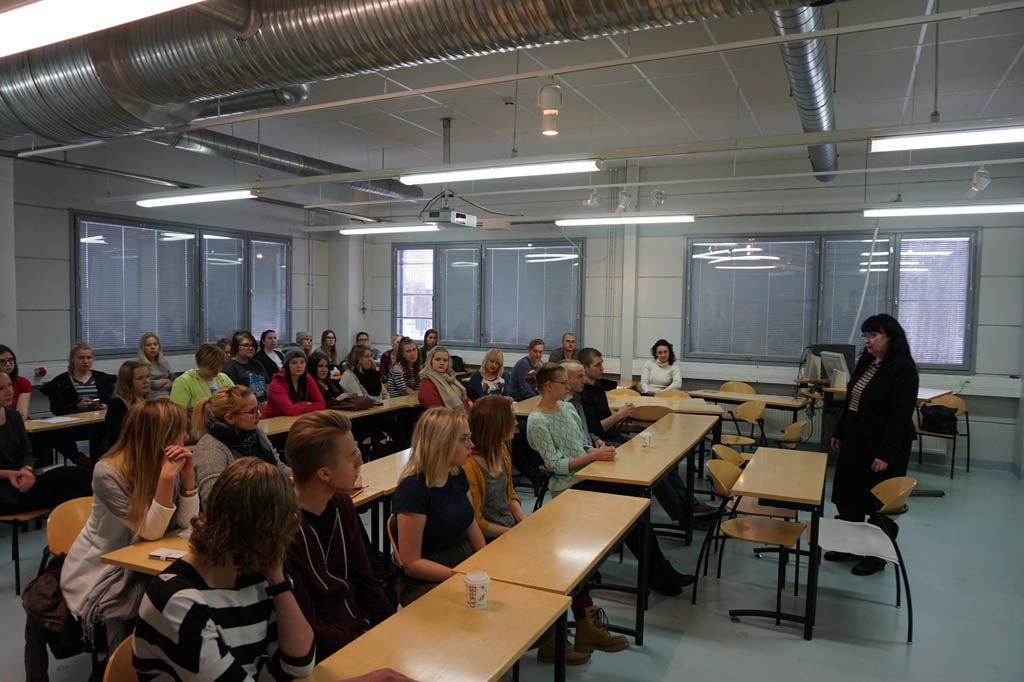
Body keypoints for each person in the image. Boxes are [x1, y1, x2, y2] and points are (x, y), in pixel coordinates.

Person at [133, 457, 411, 682]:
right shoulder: (178, 602)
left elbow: (299, 664)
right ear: (260, 535)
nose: (285, 545)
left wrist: (278, 581)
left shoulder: (253, 574)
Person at [526, 362, 692, 597]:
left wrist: (596, 450)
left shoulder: (568, 408)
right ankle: (657, 572)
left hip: (589, 473)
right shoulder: (537, 421)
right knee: (629, 505)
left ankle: (657, 570)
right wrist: (592, 456)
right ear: (548, 385)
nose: (568, 387)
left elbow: (580, 444)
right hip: (568, 486)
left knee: (636, 500)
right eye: (563, 383)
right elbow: (554, 465)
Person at [61, 399, 198, 647]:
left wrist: (188, 477)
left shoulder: (166, 461)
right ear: (161, 437)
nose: (186, 437)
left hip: (147, 555)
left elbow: (185, 523)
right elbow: (150, 532)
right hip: (107, 563)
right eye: (180, 431)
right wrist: (167, 479)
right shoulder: (108, 472)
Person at [284, 411, 395, 659]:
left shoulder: (341, 505)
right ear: (324, 474)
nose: (360, 462)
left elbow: (365, 579)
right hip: (326, 652)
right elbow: (308, 622)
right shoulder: (283, 532)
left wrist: (392, 626)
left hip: (358, 629)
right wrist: (363, 644)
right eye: (352, 456)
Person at [564, 360, 713, 530]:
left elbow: (586, 430)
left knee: (660, 459)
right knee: (651, 468)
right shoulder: (575, 400)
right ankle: (684, 514)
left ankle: (690, 505)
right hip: (600, 447)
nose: (601, 368)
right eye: (596, 365)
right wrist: (616, 418)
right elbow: (591, 431)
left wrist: (594, 438)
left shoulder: (586, 393)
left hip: (604, 440)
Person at [829, 313, 919, 576]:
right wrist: (840, 431)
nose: (867, 341)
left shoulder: (903, 369)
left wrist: (886, 453)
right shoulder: (867, 362)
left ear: (890, 338)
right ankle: (850, 546)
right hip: (856, 440)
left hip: (884, 445)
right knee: (848, 495)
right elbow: (852, 402)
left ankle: (875, 555)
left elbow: (900, 416)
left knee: (877, 502)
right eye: (865, 335)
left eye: (873, 335)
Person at [392, 408, 485, 606]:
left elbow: (471, 525)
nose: (471, 445)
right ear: (442, 443)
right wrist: (460, 576)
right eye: (463, 439)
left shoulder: (457, 474)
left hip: (463, 566)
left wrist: (485, 562)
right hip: (428, 579)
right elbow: (412, 563)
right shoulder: (413, 490)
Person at [0, 371, 91, 515]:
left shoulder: (13, 417)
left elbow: (26, 453)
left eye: (10, 385)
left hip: (22, 480)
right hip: (5, 488)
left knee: (72, 496)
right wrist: (8, 474)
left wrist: (26, 469)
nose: (9, 392)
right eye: (1, 388)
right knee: (76, 475)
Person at [192, 385, 289, 505]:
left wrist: (300, 478)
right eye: (252, 412)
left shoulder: (256, 432)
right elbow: (213, 501)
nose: (259, 415)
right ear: (230, 418)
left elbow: (279, 468)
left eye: (258, 409)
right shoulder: (209, 449)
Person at [39, 342, 114, 464]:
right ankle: (79, 459)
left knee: (104, 428)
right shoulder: (60, 382)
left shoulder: (103, 378)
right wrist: (77, 405)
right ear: (72, 359)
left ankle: (99, 462)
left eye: (88, 358)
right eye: (81, 358)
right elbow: (56, 408)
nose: (85, 361)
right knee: (52, 433)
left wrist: (106, 405)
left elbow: (112, 399)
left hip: (99, 421)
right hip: (73, 425)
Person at [463, 395, 525, 540]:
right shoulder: (469, 466)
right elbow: (477, 523)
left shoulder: (501, 448)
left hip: (508, 527)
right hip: (489, 536)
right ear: (495, 425)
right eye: (511, 418)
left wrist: (523, 521)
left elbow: (509, 494)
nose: (516, 422)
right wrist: (515, 534)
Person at [576, 347, 634, 444]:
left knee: (638, 446)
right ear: (584, 368)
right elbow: (595, 430)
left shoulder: (598, 385)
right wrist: (618, 415)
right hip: (600, 441)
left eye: (601, 364)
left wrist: (622, 415)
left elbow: (606, 418)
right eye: (597, 365)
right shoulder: (582, 393)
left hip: (613, 434)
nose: (602, 368)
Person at [169, 344, 234, 412]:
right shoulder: (183, 382)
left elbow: (237, 399)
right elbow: (176, 413)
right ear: (200, 364)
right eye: (212, 368)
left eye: (220, 366)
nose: (217, 370)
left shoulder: (223, 378)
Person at [103, 361, 152, 451]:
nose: (146, 381)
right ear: (127, 382)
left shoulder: (149, 399)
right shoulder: (117, 403)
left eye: (147, 376)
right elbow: (120, 434)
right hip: (126, 449)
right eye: (140, 378)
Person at [265, 348, 326, 418]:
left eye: (302, 362)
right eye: (294, 363)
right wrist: (304, 404)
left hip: (296, 417)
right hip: (273, 420)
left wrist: (298, 409)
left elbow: (321, 404)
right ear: (287, 365)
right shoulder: (277, 383)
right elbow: (290, 410)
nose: (299, 366)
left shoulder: (307, 378)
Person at [418, 346, 471, 415]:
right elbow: (438, 412)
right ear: (430, 361)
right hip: (447, 419)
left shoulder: (450, 377)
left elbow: (465, 400)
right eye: (437, 359)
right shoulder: (427, 384)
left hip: (464, 415)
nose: (442, 363)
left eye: (445, 360)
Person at [222, 331, 271, 404]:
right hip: (245, 406)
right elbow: (233, 396)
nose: (250, 348)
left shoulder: (257, 364)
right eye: (245, 345)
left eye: (252, 345)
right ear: (236, 347)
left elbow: (268, 385)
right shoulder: (229, 367)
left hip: (265, 404)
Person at [0, 345, 32, 419]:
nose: (8, 364)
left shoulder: (22, 382)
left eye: (11, 360)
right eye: (2, 361)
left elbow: (22, 414)